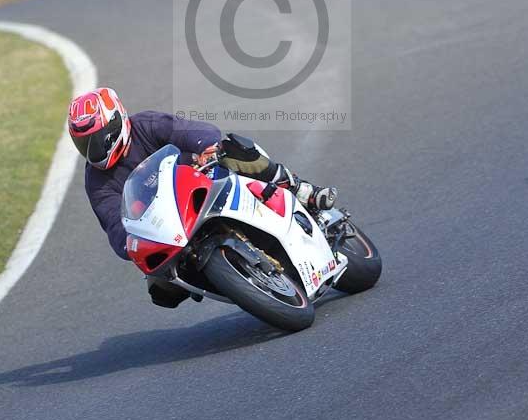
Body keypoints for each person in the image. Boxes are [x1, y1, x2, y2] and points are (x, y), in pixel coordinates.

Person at [68, 87, 337, 308]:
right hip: (169, 226)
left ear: (117, 121)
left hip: (205, 182)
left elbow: (193, 131)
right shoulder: (97, 181)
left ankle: (302, 190)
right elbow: (114, 225)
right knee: (162, 292)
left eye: (97, 139)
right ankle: (236, 282)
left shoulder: (146, 125)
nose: (92, 150)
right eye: (84, 144)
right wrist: (130, 243)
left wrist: (205, 149)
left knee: (235, 150)